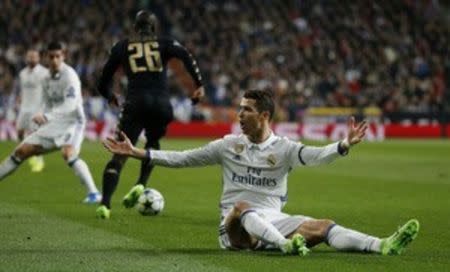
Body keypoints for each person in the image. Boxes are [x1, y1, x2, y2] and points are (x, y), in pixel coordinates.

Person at [103, 89, 419, 256]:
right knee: (241, 206)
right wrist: (137, 152)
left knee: (323, 227)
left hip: (272, 222)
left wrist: (343, 145)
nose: (239, 114)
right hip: (234, 230)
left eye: (246, 110)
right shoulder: (228, 145)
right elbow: (183, 158)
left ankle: (382, 245)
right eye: (239, 108)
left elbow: (316, 156)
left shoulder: (284, 149)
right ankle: (284, 246)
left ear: (264, 115)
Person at [96, 10, 205, 219]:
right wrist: (198, 85)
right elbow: (186, 56)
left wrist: (109, 95)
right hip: (162, 105)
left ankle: (105, 204)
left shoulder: (122, 46)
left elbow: (103, 80)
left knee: (119, 153)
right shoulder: (165, 43)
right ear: (154, 28)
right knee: (152, 143)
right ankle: (141, 183)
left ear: (135, 28)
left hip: (135, 102)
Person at [0, 41, 101, 204]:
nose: (54, 60)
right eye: (51, 56)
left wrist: (47, 117)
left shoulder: (70, 76)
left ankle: (94, 193)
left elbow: (70, 104)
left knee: (68, 153)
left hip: (73, 121)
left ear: (64, 56)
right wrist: (42, 118)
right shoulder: (45, 78)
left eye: (58, 56)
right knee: (20, 151)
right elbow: (47, 103)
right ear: (46, 57)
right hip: (54, 122)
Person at [16, 49, 48, 172]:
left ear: (38, 58)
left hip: (37, 108)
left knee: (35, 136)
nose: (31, 59)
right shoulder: (22, 73)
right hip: (24, 107)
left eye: (34, 57)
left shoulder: (44, 73)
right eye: (29, 57)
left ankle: (39, 160)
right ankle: (24, 152)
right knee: (19, 132)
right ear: (26, 58)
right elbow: (22, 89)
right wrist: (20, 98)